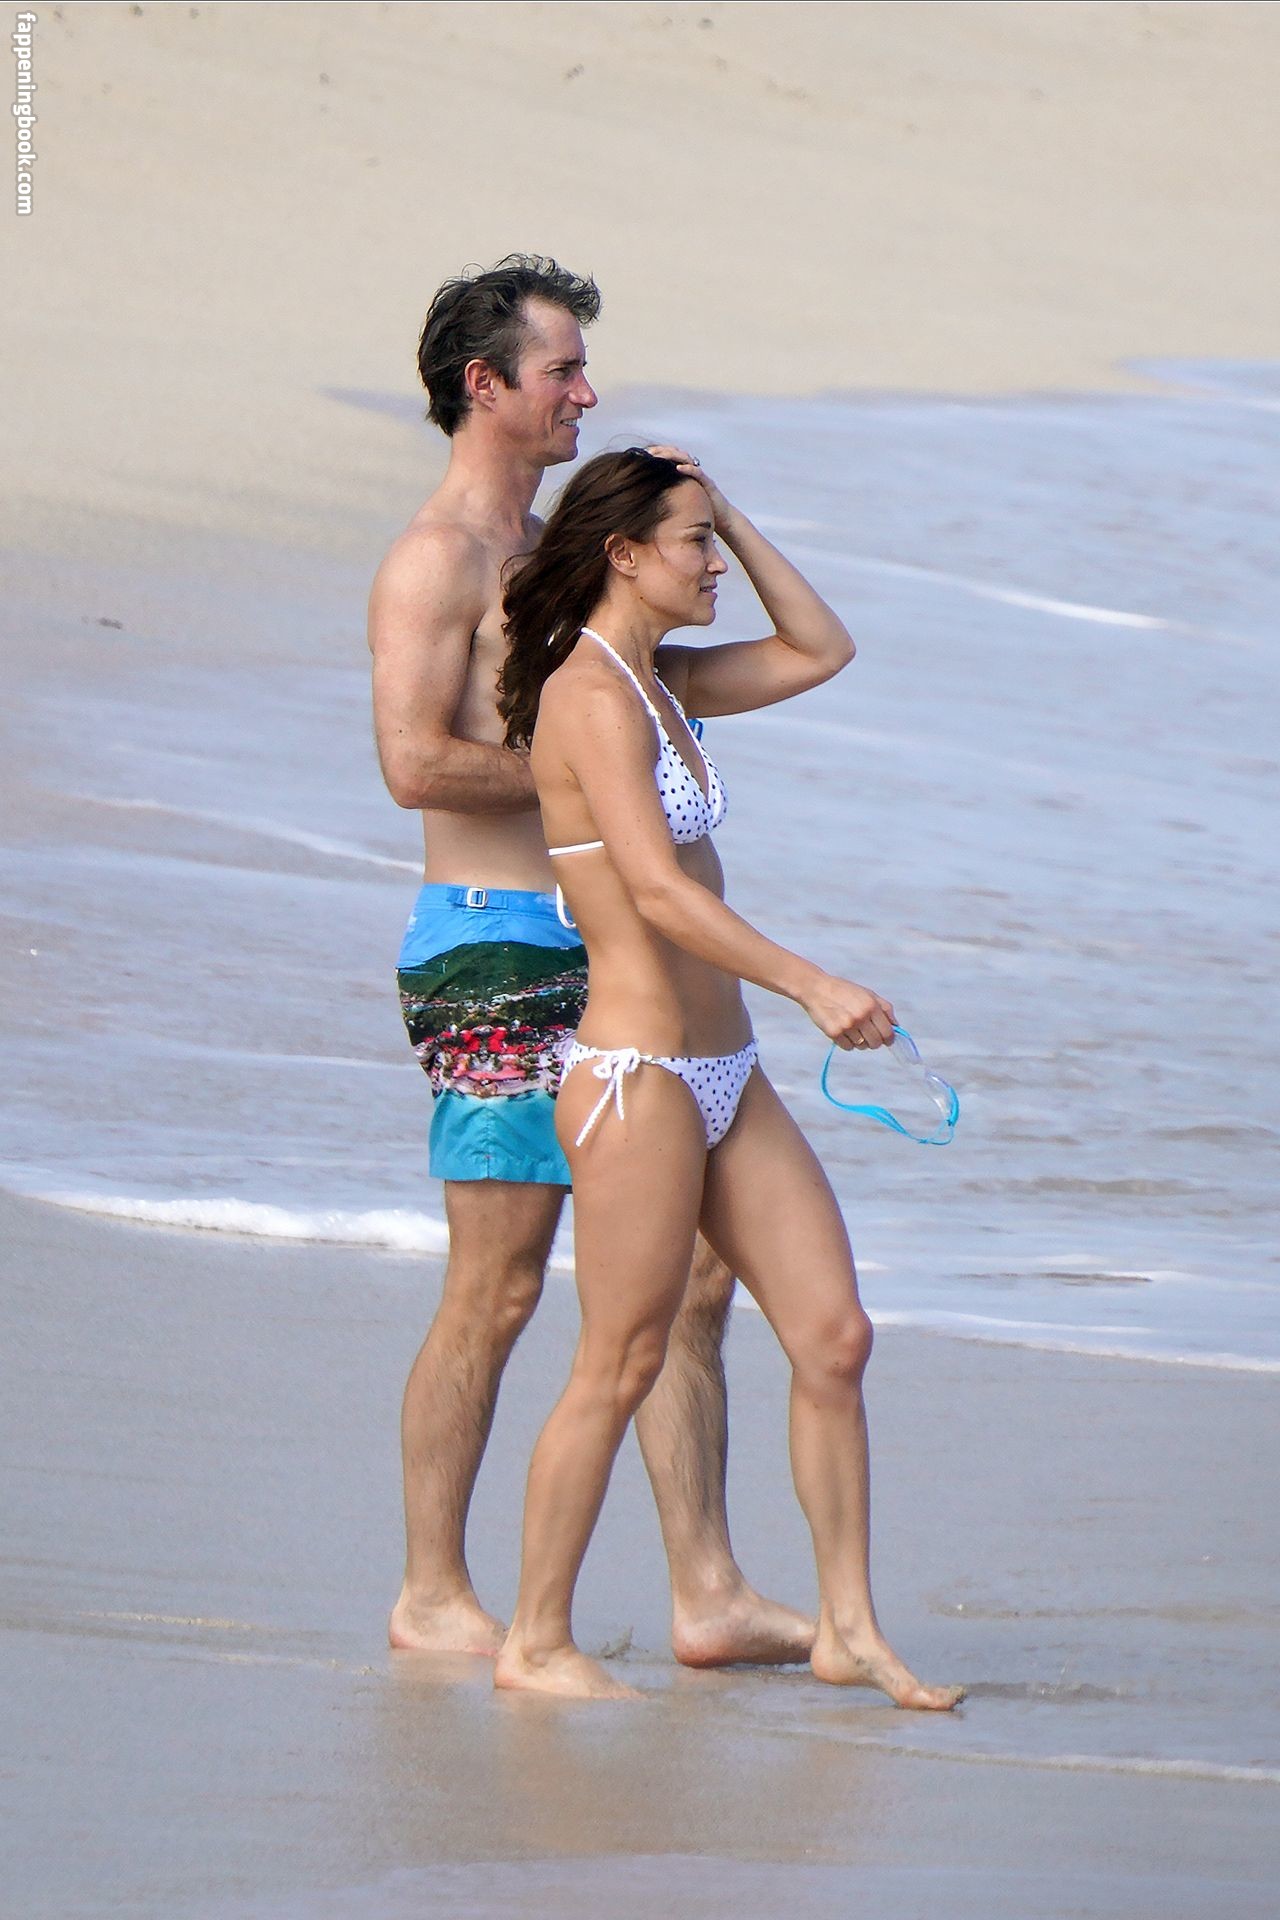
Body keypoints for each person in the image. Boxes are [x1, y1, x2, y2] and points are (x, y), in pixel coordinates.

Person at [369, 256, 810, 1664]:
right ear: (484, 385)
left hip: (621, 946)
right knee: (500, 1282)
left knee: (691, 1274)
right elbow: (412, 763)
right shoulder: (437, 559)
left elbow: (718, 675)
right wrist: (586, 782)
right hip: (496, 948)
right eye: (562, 370)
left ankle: (707, 1591)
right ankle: (432, 1592)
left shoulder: (577, 546)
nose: (586, 393)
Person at [490, 446, 966, 1708]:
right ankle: (534, 1641)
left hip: (724, 1071)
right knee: (621, 1359)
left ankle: (846, 1627)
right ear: (622, 555)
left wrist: (732, 513)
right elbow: (652, 892)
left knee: (832, 1336)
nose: (713, 567)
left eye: (711, 540)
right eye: (693, 544)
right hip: (638, 1074)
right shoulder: (587, 697)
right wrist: (810, 982)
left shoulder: (666, 684)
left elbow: (820, 647)